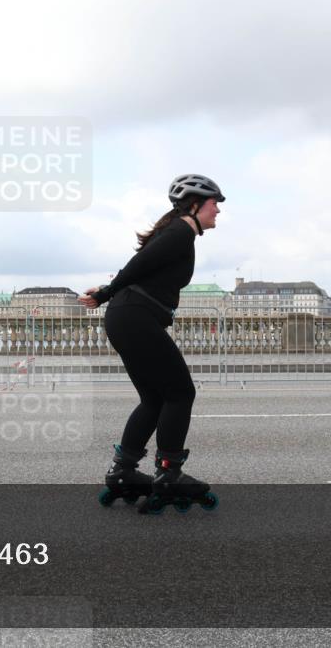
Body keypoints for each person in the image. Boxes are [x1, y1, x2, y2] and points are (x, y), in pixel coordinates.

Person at [79, 174, 224, 514]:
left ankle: (123, 470)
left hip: (128, 316)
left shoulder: (177, 232)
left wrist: (109, 294)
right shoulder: (180, 232)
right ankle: (169, 473)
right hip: (134, 316)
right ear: (194, 205)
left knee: (155, 398)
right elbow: (138, 265)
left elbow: (143, 268)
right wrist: (104, 293)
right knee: (181, 392)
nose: (218, 210)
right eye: (214, 203)